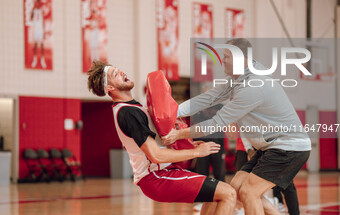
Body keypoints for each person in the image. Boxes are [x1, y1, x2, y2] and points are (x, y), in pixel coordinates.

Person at [162, 38, 311, 215]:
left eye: (227, 57)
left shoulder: (253, 86)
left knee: (249, 192)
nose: (222, 60)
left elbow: (216, 123)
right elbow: (209, 98)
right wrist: (174, 112)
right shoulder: (239, 77)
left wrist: (178, 134)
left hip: (288, 146)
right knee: (237, 187)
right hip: (271, 146)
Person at [87, 60, 236, 215]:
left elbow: (159, 142)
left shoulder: (134, 108)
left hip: (162, 173)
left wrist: (188, 143)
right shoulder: (129, 113)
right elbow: (155, 155)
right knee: (228, 193)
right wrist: (197, 153)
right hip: (156, 177)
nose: (122, 72)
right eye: (115, 74)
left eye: (119, 69)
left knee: (213, 195)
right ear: (110, 87)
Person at [31, 0, 46, 68]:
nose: (38, 3)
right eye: (37, 2)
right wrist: (33, 8)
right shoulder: (34, 11)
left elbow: (43, 21)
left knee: (42, 45)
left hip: (41, 30)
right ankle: (35, 59)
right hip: (36, 30)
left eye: (39, 2)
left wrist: (44, 32)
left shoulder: (41, 11)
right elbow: (31, 18)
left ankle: (42, 60)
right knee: (36, 45)